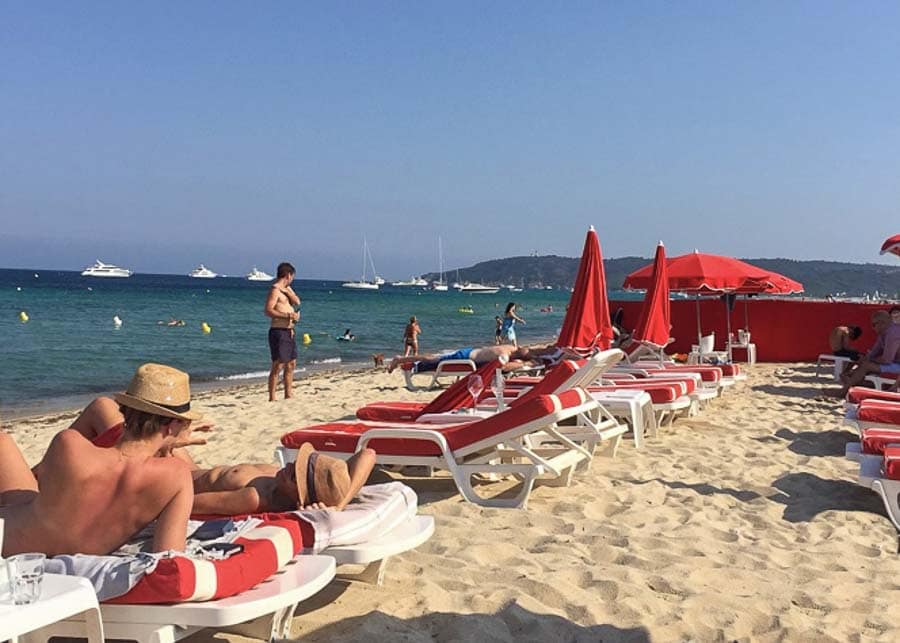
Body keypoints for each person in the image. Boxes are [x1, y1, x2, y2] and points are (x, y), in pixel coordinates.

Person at [0, 363, 197, 557]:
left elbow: (45, 490)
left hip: (12, 541)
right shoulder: (177, 477)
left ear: (124, 409)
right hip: (81, 553)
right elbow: (167, 557)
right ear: (174, 425)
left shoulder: (69, 444)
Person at [190, 444, 377, 515]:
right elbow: (368, 454)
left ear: (299, 498)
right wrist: (339, 505)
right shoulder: (281, 482)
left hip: (180, 481)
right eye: (297, 464)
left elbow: (189, 504)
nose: (287, 467)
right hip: (194, 470)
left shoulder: (254, 497)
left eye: (295, 475)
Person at [264, 262, 301, 402]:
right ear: (288, 275)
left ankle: (288, 393)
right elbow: (268, 310)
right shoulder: (275, 290)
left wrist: (288, 292)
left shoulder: (287, 289)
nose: (292, 279)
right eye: (292, 276)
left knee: (291, 363)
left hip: (289, 330)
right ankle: (272, 397)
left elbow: (297, 302)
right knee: (278, 364)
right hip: (278, 330)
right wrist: (288, 316)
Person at [840, 311, 900, 396]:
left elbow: (887, 360)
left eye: (873, 324)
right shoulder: (883, 334)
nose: (872, 328)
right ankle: (851, 383)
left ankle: (844, 391)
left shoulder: (893, 333)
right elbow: (873, 352)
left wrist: (868, 360)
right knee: (863, 363)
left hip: (898, 365)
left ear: (882, 323)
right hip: (895, 364)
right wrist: (863, 359)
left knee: (866, 366)